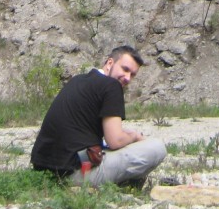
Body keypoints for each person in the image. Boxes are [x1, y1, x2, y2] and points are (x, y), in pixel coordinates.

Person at [31, 45, 167, 188]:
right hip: (73, 174)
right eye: (125, 69)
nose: (127, 78)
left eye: (132, 75)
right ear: (110, 63)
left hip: (43, 170)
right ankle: (126, 183)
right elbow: (115, 140)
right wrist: (134, 136)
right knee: (157, 147)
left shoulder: (78, 80)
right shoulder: (112, 86)